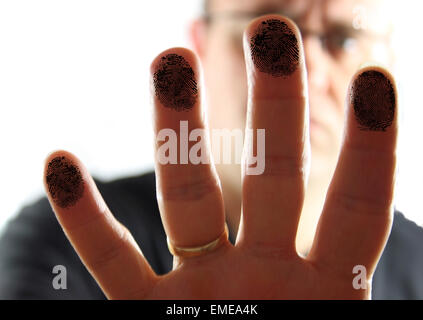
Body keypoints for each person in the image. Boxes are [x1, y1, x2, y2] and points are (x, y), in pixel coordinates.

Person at [0, 0, 422, 299]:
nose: (307, 68)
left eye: (344, 40)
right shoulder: (65, 244)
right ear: (200, 43)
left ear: (389, 59)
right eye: (268, 31)